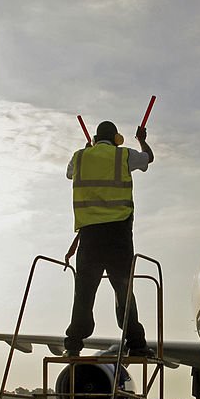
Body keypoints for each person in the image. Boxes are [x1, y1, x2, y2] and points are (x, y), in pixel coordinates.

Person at [63, 120, 154, 357]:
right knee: (124, 289)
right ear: (116, 139)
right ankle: (136, 343)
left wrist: (86, 151)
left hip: (89, 235)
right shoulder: (123, 155)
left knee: (84, 291)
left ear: (93, 139)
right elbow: (148, 158)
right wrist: (142, 139)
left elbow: (69, 173)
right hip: (118, 235)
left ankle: (73, 344)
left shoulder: (80, 157)